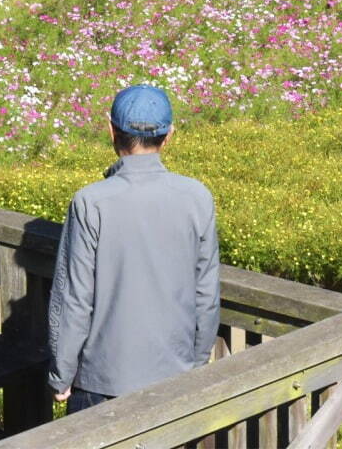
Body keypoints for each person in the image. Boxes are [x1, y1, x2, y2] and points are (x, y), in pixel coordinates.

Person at [47, 85, 220, 411]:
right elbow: (206, 296)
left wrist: (61, 374)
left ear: (111, 129)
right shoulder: (198, 197)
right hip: (174, 377)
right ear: (169, 135)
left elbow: (74, 299)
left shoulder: (90, 202)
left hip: (101, 381)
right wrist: (194, 365)